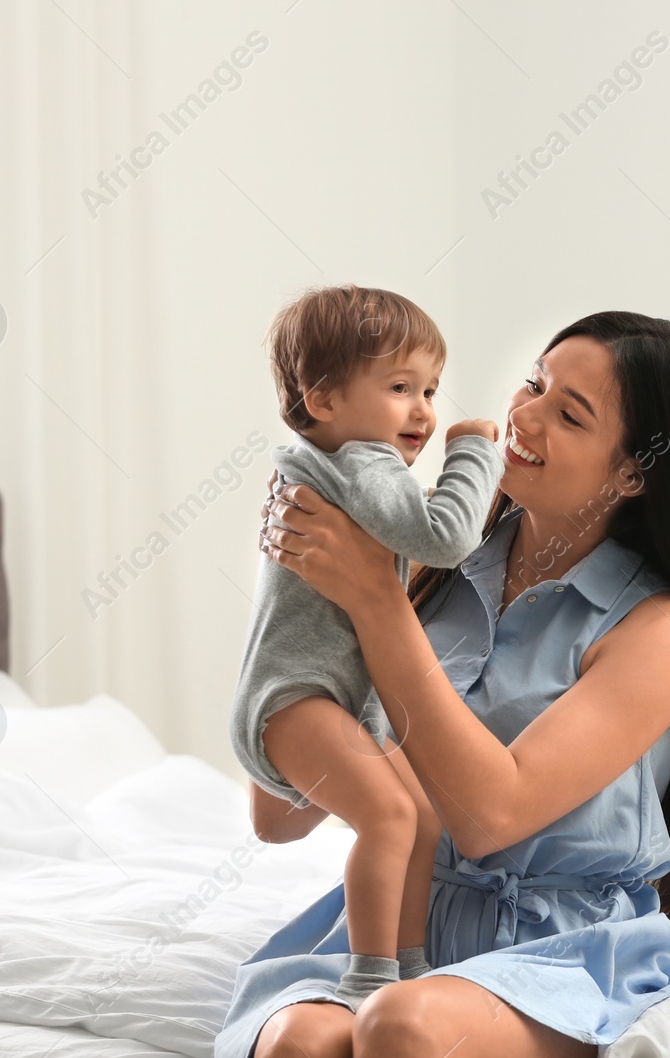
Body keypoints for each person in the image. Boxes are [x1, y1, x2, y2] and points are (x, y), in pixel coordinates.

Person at [223, 311, 670, 1058]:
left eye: (568, 413)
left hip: (554, 949)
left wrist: (373, 601)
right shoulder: (423, 566)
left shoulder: (668, 630)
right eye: (534, 382)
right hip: (400, 926)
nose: (523, 414)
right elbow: (278, 816)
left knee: (397, 1024)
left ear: (634, 471)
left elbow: (491, 816)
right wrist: (298, 597)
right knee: (299, 1040)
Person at [229, 284, 504, 1009]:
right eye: (401, 387)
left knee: (420, 815)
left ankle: (407, 965)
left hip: (308, 696)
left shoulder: (327, 461)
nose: (423, 409)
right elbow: (445, 536)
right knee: (392, 816)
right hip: (297, 697)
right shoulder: (365, 462)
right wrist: (474, 452)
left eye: (431, 390)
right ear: (323, 400)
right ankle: (374, 973)